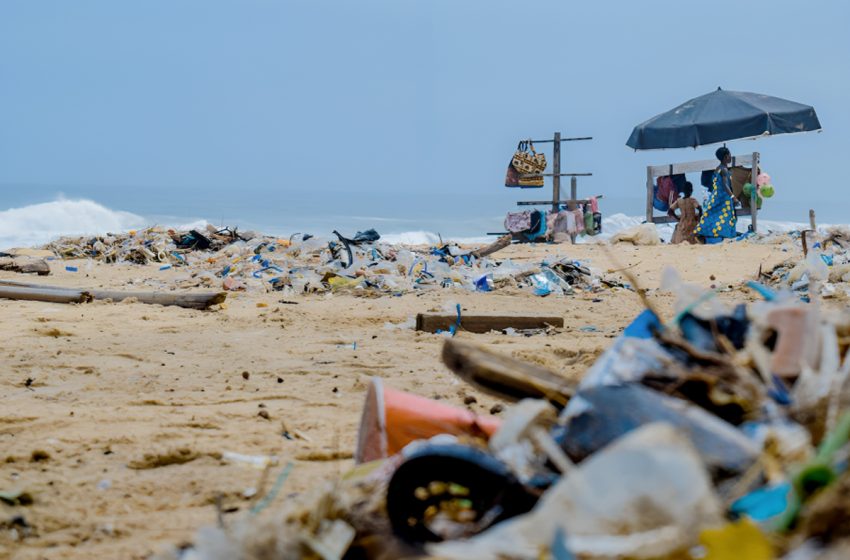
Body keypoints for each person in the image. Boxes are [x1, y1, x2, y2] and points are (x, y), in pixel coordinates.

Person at [694, 146, 737, 243]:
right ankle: (727, 237)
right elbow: (725, 185)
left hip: (715, 195)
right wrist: (733, 197)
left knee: (711, 215)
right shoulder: (724, 170)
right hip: (724, 197)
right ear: (726, 156)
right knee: (726, 218)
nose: (731, 157)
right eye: (729, 155)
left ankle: (701, 232)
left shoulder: (717, 169)